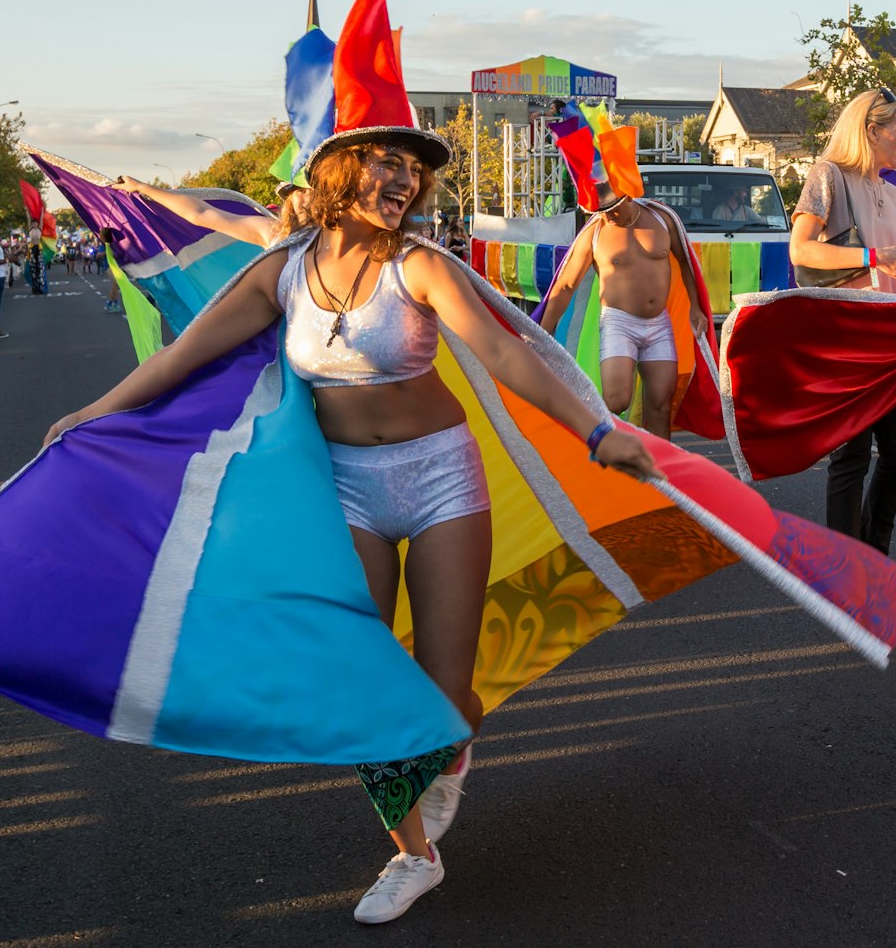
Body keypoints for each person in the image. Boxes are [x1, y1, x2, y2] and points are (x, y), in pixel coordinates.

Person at [45, 125, 659, 925]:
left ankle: (449, 751)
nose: (403, 178)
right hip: (347, 492)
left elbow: (509, 360)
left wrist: (596, 430)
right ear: (339, 172)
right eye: (386, 161)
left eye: (413, 170)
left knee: (445, 695)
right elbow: (183, 357)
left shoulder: (422, 266)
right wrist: (91, 414)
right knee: (357, 681)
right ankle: (414, 856)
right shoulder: (284, 270)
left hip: (442, 480)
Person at [789, 89, 896, 554]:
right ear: (871, 130)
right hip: (845, 335)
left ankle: (870, 551)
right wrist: (871, 255)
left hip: (890, 338)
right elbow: (801, 249)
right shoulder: (829, 175)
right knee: (851, 455)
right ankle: (849, 568)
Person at [537, 104, 713, 441]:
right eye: (602, 210)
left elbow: (688, 264)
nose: (609, 215)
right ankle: (606, 459)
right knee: (616, 400)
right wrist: (541, 336)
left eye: (614, 208)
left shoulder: (663, 220)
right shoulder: (595, 232)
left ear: (628, 195)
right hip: (619, 323)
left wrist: (694, 306)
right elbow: (564, 287)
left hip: (659, 324)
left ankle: (655, 481)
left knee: (659, 407)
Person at [111, 175, 307, 248]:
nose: (305, 197)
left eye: (313, 190)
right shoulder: (275, 232)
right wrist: (143, 188)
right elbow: (201, 213)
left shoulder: (336, 240)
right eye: (299, 191)